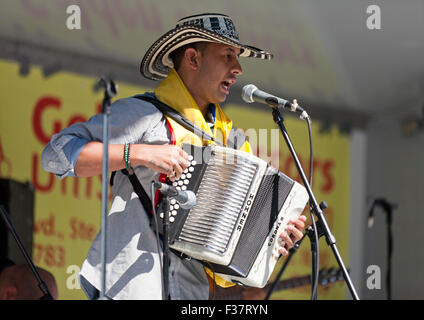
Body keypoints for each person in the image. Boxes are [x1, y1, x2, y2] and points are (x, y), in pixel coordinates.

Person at [41, 13, 307, 300]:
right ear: (193, 59)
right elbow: (56, 155)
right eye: (228, 55)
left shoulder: (232, 142)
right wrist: (137, 153)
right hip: (130, 289)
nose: (238, 68)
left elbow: (228, 266)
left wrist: (270, 240)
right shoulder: (145, 114)